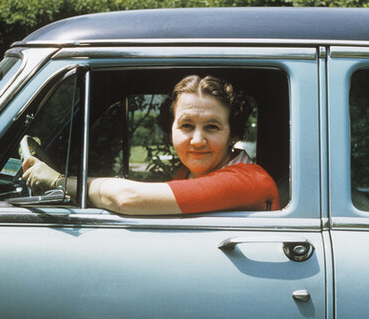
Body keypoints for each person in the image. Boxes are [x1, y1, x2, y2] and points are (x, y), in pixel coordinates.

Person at [22, 75, 280, 215]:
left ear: (232, 134)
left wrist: (58, 181)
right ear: (172, 130)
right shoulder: (188, 175)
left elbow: (127, 198)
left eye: (212, 127)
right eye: (187, 126)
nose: (197, 140)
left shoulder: (249, 180)